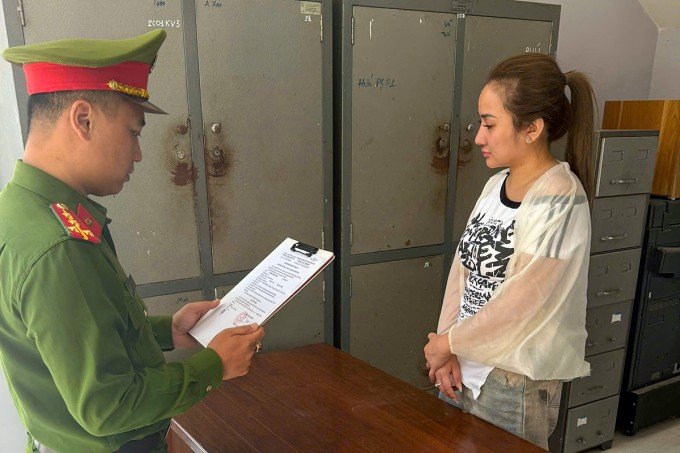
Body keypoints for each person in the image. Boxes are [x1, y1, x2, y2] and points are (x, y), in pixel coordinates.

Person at [0, 30, 264, 452]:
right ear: (83, 120)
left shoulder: (19, 210)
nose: (138, 154)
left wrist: (167, 330)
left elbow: (79, 337)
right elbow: (110, 406)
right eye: (133, 132)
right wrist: (214, 366)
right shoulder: (58, 247)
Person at [424, 53, 595, 450]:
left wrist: (447, 344)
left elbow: (524, 302)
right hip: (461, 368)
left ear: (532, 128)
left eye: (489, 124)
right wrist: (446, 346)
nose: (478, 137)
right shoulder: (494, 186)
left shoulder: (560, 197)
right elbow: (463, 271)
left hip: (513, 384)